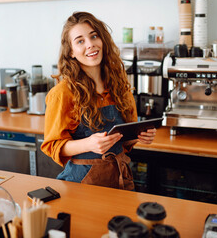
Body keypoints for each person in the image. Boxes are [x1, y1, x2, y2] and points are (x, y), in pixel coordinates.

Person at [41, 11, 156, 190]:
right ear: (71, 52)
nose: (90, 44)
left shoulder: (119, 86)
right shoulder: (63, 93)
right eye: (80, 41)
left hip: (120, 179)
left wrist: (138, 137)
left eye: (94, 36)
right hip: (81, 185)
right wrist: (88, 144)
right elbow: (53, 146)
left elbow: (124, 140)